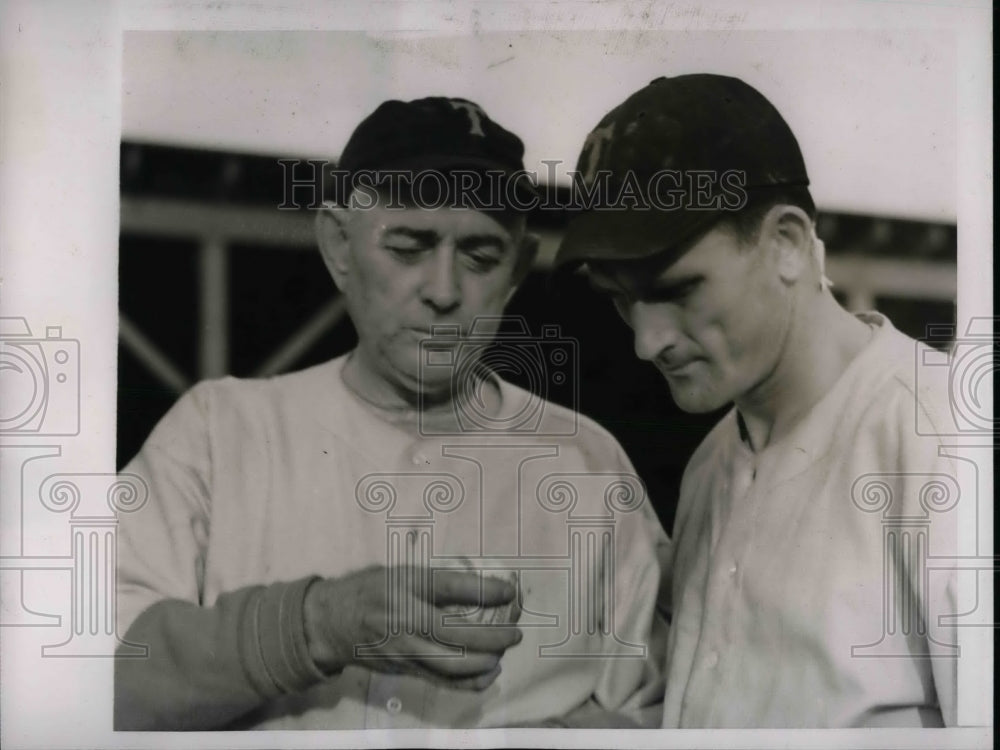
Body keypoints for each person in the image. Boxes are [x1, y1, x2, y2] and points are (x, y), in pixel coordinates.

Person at [114, 97, 669, 730]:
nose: (443, 289)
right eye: (409, 247)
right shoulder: (221, 432)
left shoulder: (588, 464)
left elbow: (662, 711)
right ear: (339, 247)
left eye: (480, 257)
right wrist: (318, 624)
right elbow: (87, 677)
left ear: (517, 269)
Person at [553, 74, 961, 727]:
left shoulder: (943, 434)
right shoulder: (710, 466)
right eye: (620, 298)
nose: (646, 340)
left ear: (788, 244)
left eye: (679, 289)